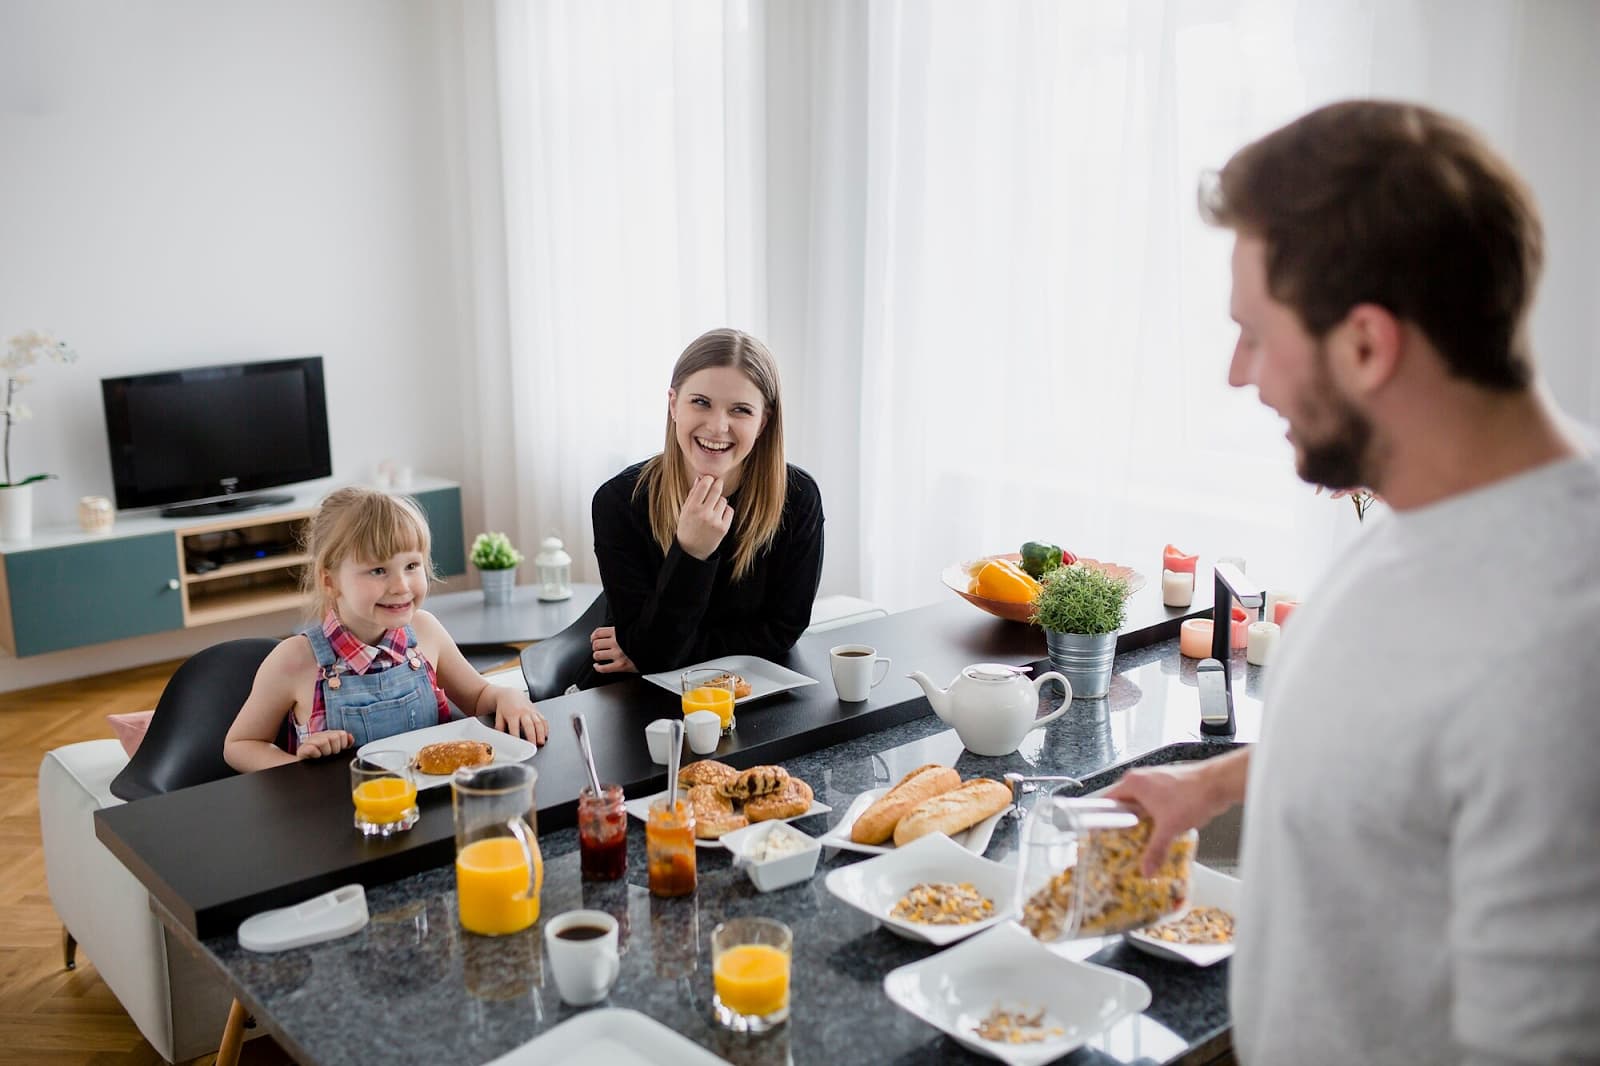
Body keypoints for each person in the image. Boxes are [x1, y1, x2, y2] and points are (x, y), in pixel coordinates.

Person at [1107, 100, 1600, 1064]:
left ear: (1368, 345)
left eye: (1255, 332)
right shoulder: (1438, 509)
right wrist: (1211, 785)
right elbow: (1408, 753)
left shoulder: (1558, 648)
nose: (1239, 373)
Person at [224, 487, 549, 771]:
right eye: (378, 570)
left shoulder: (426, 632)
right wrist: (298, 766)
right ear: (330, 580)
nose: (400, 585)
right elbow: (241, 745)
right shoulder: (294, 660)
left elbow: (478, 697)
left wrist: (507, 696)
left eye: (411, 566)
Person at [587, 327, 824, 678]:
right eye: (701, 402)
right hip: (637, 700)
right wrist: (691, 552)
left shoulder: (798, 498)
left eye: (741, 410)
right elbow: (653, 656)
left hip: (750, 695)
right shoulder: (619, 502)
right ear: (673, 405)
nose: (717, 426)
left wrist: (664, 650)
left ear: (763, 422)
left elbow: (781, 633)